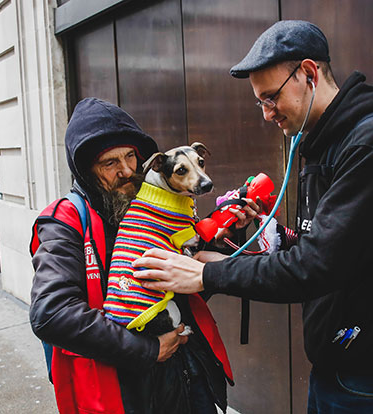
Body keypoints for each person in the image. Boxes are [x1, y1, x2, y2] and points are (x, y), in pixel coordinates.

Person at [133, 20, 373, 413]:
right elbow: (328, 248)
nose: (266, 114)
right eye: (260, 102)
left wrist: (208, 274)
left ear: (308, 73)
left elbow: (315, 266)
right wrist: (271, 233)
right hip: (339, 364)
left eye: (271, 98)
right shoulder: (323, 145)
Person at [29, 97, 231, 414]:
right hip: (125, 393)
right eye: (109, 163)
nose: (126, 171)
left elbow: (186, 283)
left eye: (131, 157)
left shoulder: (153, 207)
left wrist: (227, 237)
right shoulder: (64, 222)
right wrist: (146, 349)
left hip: (189, 376)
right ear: (86, 171)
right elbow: (51, 313)